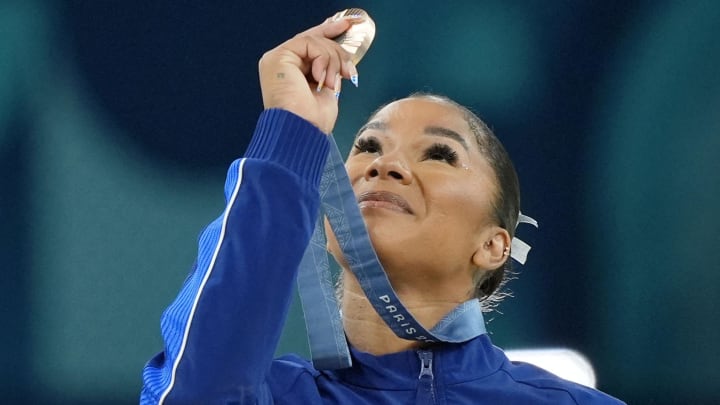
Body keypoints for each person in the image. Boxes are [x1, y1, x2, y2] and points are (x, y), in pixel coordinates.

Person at [140, 13, 624, 404]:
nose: (384, 165)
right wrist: (290, 129)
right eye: (368, 146)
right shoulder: (276, 396)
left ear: (495, 244)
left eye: (439, 154)